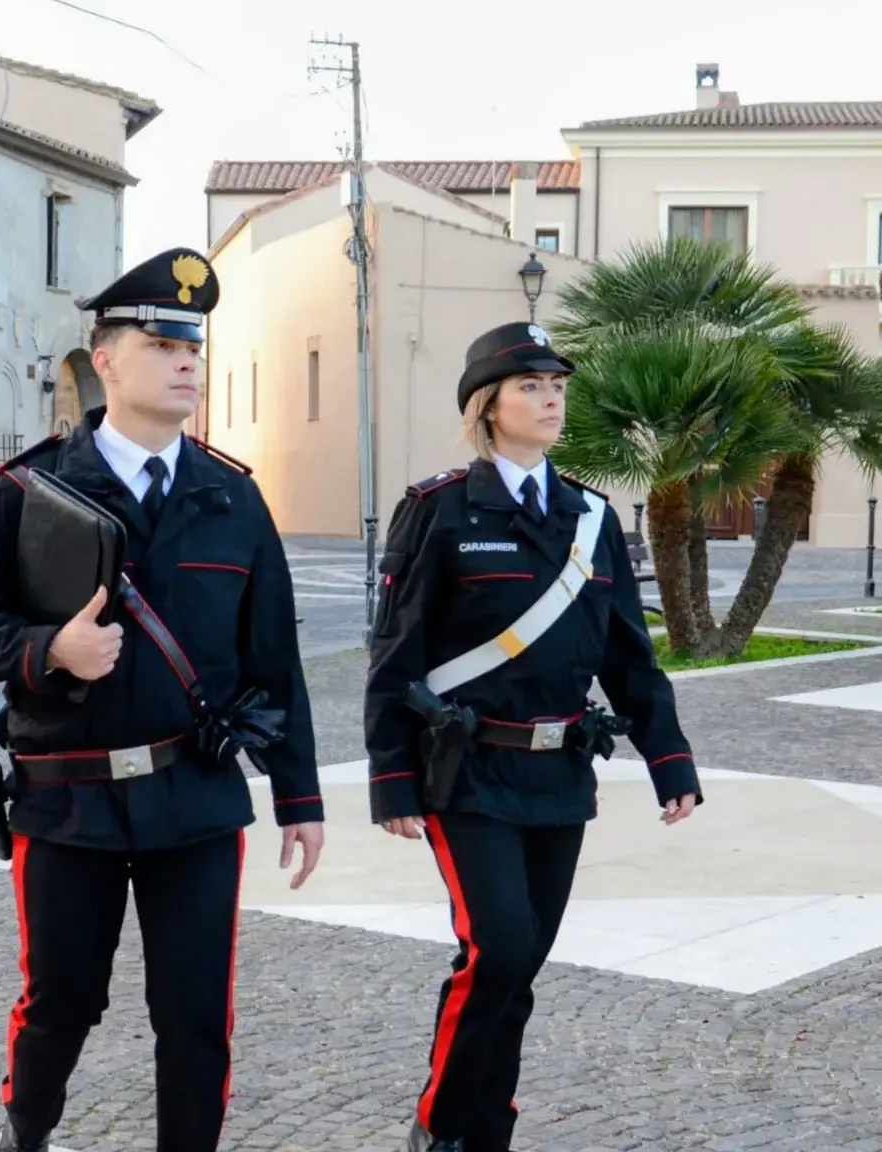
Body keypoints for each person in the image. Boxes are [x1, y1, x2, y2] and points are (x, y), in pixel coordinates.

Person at [0, 247, 327, 1152]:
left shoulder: (232, 497)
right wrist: (46, 649)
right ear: (105, 360)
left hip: (193, 796)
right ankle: (25, 1133)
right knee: (62, 1001)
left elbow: (275, 660)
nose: (188, 361)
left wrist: (299, 797)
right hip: (69, 801)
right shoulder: (33, 491)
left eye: (195, 345)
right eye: (162, 343)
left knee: (196, 1014)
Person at [363, 321, 704, 1152]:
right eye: (530, 386)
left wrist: (670, 760)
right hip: (468, 773)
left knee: (520, 969)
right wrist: (390, 778)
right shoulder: (440, 511)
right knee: (498, 948)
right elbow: (395, 651)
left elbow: (629, 650)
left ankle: (489, 1128)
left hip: (559, 777)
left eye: (558, 385)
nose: (550, 398)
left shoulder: (589, 516)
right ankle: (441, 1127)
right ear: (487, 407)